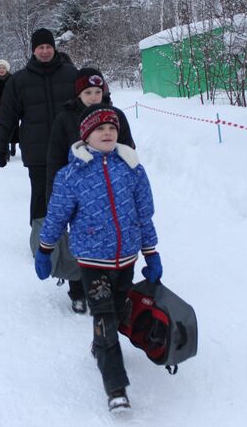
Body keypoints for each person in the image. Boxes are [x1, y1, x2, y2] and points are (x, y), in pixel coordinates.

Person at [33, 103, 163, 412]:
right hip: (92, 261)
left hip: (127, 257)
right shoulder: (71, 175)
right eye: (99, 129)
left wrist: (151, 253)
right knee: (104, 317)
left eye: (112, 128)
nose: (107, 133)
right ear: (86, 136)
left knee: (117, 312)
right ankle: (116, 388)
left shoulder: (132, 168)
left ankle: (100, 344)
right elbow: (56, 217)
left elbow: (145, 215)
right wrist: (45, 249)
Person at [45, 68, 136, 314]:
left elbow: (128, 148)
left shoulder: (115, 115)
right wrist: (53, 195)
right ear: (79, 93)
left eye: (98, 91)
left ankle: (110, 293)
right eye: (88, 92)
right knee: (83, 243)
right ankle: (77, 290)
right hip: (79, 194)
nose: (94, 96)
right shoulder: (65, 118)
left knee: (114, 239)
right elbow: (55, 158)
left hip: (114, 189)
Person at [0, 28, 77, 226]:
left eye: (49, 47)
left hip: (69, 149)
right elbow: (7, 117)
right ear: (33, 50)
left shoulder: (72, 74)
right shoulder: (19, 81)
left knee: (72, 194)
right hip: (37, 150)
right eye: (41, 47)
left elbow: (91, 105)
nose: (45, 51)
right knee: (40, 195)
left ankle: (74, 241)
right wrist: (0, 145)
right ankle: (41, 242)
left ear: (54, 48)